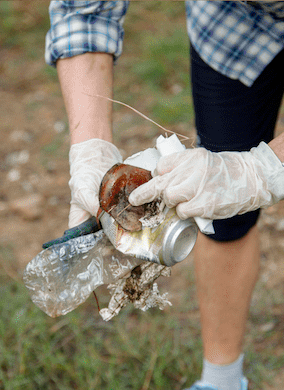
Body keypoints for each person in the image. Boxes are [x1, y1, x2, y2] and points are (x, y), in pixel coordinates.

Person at [45, 1, 284, 389]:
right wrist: (89, 144)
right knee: (222, 219)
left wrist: (264, 170)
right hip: (231, 26)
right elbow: (84, 10)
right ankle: (221, 381)